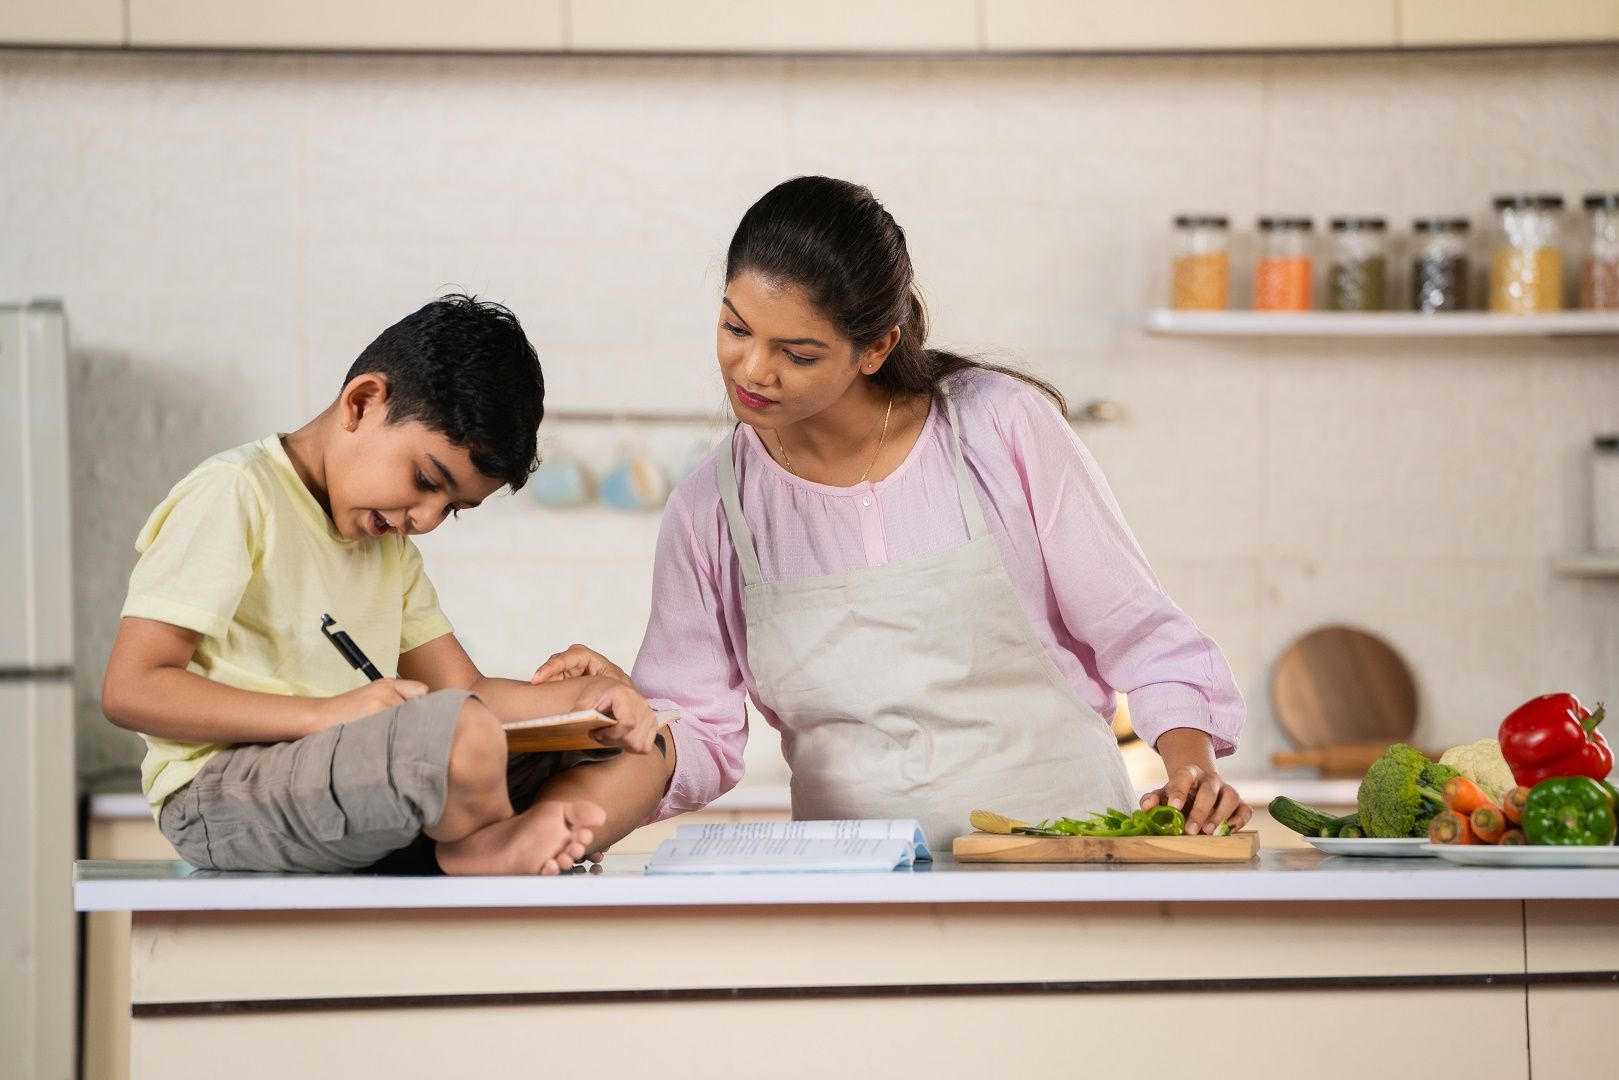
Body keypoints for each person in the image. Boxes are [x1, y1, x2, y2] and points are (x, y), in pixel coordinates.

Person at [540, 177, 1250, 848]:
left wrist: (1188, 766)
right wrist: (626, 712)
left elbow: (1137, 628)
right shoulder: (710, 506)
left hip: (1057, 865)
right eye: (734, 328)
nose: (752, 369)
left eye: (796, 352)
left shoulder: (998, 426)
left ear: (876, 346)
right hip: (854, 891)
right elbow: (698, 731)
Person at [102, 294, 675, 875]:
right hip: (223, 790)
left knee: (645, 745)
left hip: (356, 779)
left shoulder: (388, 549)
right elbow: (132, 688)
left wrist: (586, 704)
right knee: (458, 734)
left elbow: (466, 688)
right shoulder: (236, 495)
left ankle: (518, 835)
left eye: (452, 508)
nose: (425, 520)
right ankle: (483, 845)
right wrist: (329, 715)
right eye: (426, 479)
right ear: (363, 402)